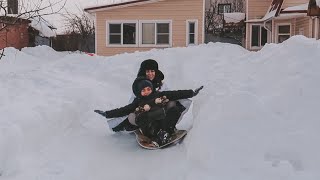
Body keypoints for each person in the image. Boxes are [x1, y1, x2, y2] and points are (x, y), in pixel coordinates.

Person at [95, 77, 203, 147]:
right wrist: (107, 114)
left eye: (148, 89)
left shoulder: (159, 95)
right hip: (150, 127)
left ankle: (165, 133)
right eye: (143, 90)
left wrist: (191, 93)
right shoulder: (137, 102)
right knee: (142, 115)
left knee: (173, 107)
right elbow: (124, 110)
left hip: (163, 124)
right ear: (139, 92)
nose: (146, 91)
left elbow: (176, 94)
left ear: (151, 88)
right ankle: (158, 135)